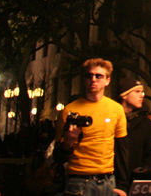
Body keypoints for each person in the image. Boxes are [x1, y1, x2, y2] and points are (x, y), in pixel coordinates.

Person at [55, 58, 129, 196]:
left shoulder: (116, 109)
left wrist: (123, 185)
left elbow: (121, 149)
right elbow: (58, 156)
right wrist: (68, 143)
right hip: (78, 180)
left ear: (107, 80)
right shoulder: (69, 110)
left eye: (99, 76)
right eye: (89, 76)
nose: (93, 79)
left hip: (108, 180)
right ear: (84, 80)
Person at [118, 77, 151, 182]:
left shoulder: (145, 123)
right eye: (137, 91)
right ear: (124, 95)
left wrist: (146, 169)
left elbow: (150, 154)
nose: (142, 95)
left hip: (136, 181)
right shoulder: (112, 119)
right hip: (113, 180)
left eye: (142, 92)